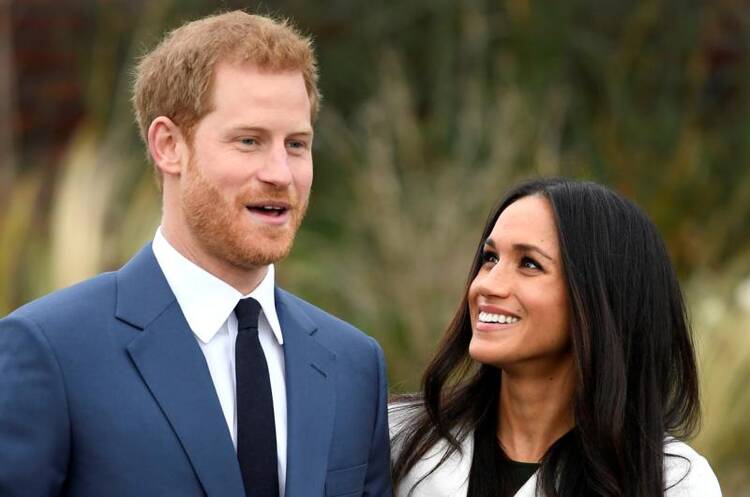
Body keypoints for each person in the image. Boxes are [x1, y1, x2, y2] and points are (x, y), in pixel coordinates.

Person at [0, 11, 392, 497]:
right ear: (169, 145)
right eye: (249, 141)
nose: (280, 173)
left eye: (296, 144)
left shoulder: (354, 365)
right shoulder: (51, 351)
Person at [390, 178, 721, 497]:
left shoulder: (672, 482)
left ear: (600, 300)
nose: (487, 285)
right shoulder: (399, 439)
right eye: (490, 258)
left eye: (529, 264)